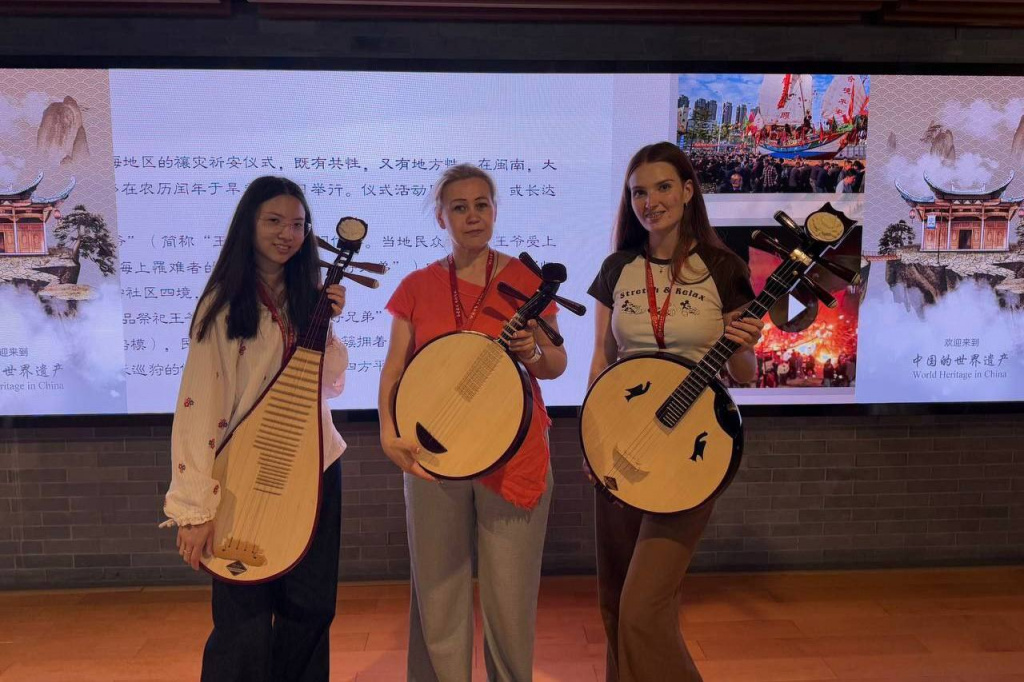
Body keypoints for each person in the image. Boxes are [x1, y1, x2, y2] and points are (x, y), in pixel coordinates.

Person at [377, 163, 568, 682]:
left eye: (481, 204)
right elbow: (394, 371)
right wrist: (388, 432)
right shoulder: (416, 285)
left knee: (511, 602)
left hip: (513, 454)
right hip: (433, 453)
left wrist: (532, 352)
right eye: (459, 207)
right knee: (438, 593)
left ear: (495, 210)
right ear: (441, 218)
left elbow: (555, 364)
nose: (472, 216)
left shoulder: (527, 281)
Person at [587, 142, 763, 682]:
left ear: (688, 191)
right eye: (639, 192)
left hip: (693, 449)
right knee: (616, 601)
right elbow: (602, 359)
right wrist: (592, 441)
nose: (651, 201)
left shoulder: (723, 267)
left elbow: (745, 373)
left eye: (663, 187)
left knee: (643, 606)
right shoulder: (617, 268)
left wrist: (742, 344)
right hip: (622, 441)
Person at [163, 176, 349, 682]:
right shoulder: (223, 306)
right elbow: (198, 409)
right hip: (242, 473)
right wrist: (194, 509)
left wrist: (325, 321)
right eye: (274, 221)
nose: (287, 234)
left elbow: (329, 384)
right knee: (243, 616)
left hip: (315, 463)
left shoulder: (305, 297)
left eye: (298, 224)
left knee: (311, 606)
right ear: (248, 224)